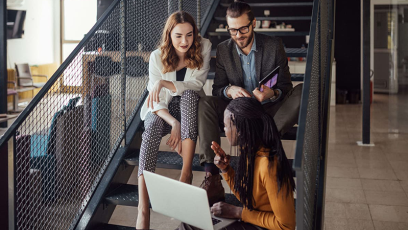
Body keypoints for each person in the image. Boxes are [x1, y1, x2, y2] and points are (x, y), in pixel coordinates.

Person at [198, 1, 302, 205]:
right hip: (237, 110)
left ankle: (263, 140)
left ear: (254, 23)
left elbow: (286, 87)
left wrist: (272, 93)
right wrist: (230, 90)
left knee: (301, 91)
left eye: (243, 28)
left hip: (268, 110)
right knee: (206, 103)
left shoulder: (273, 45)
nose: (238, 35)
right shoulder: (223, 49)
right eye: (233, 30)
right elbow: (217, 90)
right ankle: (212, 176)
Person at [136, 11, 211, 229]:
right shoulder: (156, 57)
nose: (185, 41)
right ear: (169, 35)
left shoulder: (203, 46)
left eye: (189, 35)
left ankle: (185, 174)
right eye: (178, 36)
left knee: (188, 96)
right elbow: (155, 102)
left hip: (189, 103)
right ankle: (143, 207)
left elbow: (196, 84)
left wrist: (165, 84)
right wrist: (173, 123)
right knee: (151, 130)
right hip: (162, 110)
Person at [180, 97, 296, 230]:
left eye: (226, 125)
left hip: (266, 226)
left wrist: (238, 212)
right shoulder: (250, 152)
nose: (224, 130)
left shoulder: (269, 166)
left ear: (239, 130)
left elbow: (287, 225)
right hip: (255, 221)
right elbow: (247, 198)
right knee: (189, 223)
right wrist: (226, 170)